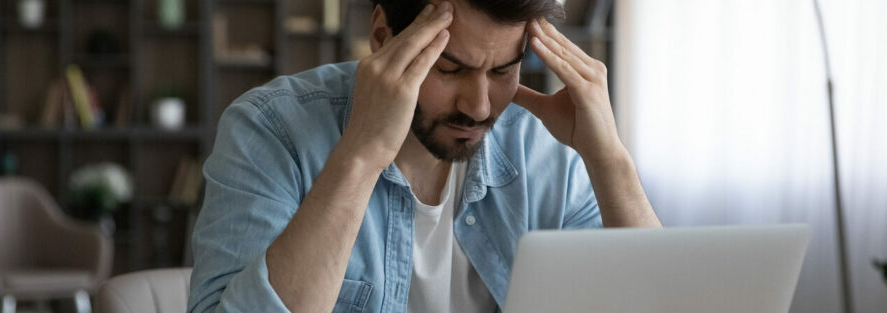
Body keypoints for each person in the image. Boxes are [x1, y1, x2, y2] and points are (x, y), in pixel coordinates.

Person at [187, 0, 661, 312]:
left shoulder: (542, 149)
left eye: (503, 70)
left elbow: (656, 300)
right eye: (450, 69)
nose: (478, 106)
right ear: (382, 36)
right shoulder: (271, 130)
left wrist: (610, 162)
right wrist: (361, 155)